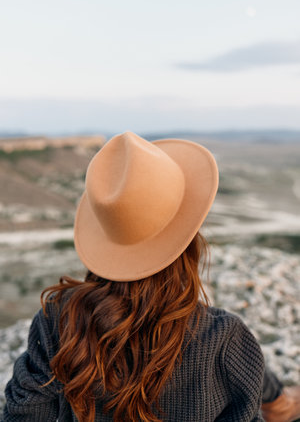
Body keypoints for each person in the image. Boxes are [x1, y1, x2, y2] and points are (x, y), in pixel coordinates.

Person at [2, 132, 300, 422]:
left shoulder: (57, 321)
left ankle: (279, 400)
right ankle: (280, 403)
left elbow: (24, 413)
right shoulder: (222, 336)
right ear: (188, 242)